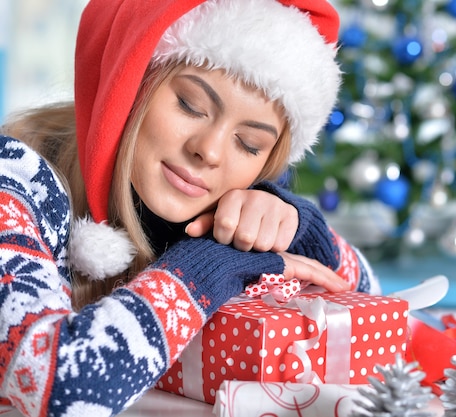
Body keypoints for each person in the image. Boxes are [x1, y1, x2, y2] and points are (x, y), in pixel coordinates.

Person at [0, 0, 381, 416]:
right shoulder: (14, 179)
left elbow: (370, 306)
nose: (210, 151)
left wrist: (301, 232)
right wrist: (211, 265)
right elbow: (55, 389)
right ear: (129, 82)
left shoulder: (214, 207)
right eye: (190, 106)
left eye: (248, 144)